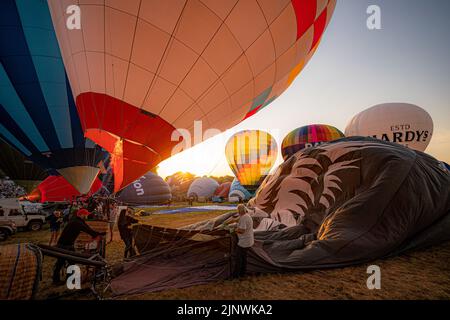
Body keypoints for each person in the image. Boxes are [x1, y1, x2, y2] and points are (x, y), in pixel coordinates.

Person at [52, 208, 106, 285]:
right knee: (61, 263)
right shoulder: (76, 222)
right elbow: (87, 230)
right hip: (64, 245)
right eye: (85, 215)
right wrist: (97, 234)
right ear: (81, 215)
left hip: (68, 244)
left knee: (71, 262)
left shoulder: (78, 221)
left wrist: (98, 233)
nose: (86, 216)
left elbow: (88, 228)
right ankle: (56, 280)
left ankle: (69, 277)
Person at [232, 204, 254, 278]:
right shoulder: (247, 216)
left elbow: (242, 230)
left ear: (239, 211)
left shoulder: (244, 218)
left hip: (244, 242)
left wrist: (234, 230)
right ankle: (243, 274)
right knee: (244, 258)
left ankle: (236, 275)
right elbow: (239, 222)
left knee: (239, 259)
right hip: (249, 240)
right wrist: (235, 224)